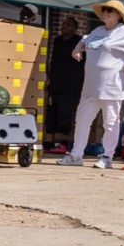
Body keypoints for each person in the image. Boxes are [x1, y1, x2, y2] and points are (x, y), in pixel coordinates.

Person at [58, 0, 124, 169]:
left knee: (110, 122)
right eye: (104, 9)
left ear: (119, 15)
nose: (105, 12)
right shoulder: (98, 30)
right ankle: (76, 155)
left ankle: (107, 156)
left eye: (110, 10)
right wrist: (77, 48)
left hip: (112, 85)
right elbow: (85, 40)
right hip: (91, 86)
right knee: (82, 120)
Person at [45, 16, 85, 149]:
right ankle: (49, 142)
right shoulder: (57, 41)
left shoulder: (79, 42)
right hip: (55, 83)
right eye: (63, 24)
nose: (64, 27)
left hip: (71, 85)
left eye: (68, 25)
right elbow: (53, 60)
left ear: (75, 28)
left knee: (65, 113)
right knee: (51, 113)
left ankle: (62, 143)